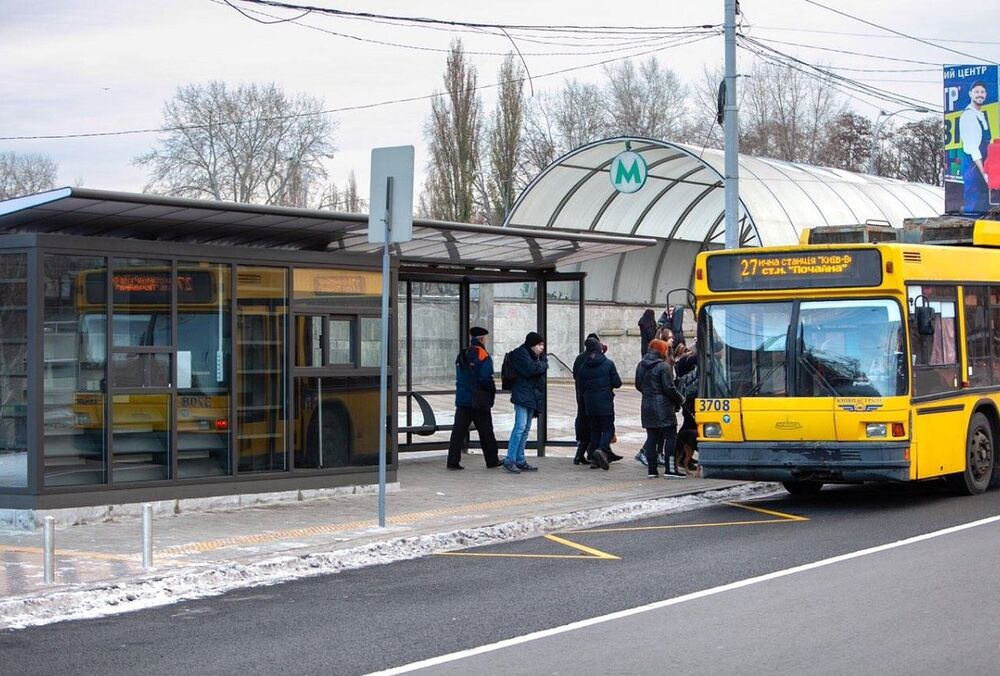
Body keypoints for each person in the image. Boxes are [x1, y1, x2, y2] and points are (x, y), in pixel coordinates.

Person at [446, 326, 502, 470]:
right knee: (486, 431)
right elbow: (486, 377)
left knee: (458, 432)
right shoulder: (482, 354)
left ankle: (452, 461)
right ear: (482, 338)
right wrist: (491, 392)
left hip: (463, 400)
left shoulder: (462, 354)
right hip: (478, 400)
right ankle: (492, 460)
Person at [635, 338, 684, 478]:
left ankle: (652, 470)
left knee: (652, 437)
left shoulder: (641, 365)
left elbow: (638, 385)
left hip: (647, 405)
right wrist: (680, 398)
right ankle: (671, 469)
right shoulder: (664, 366)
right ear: (662, 351)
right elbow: (669, 388)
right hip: (663, 407)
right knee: (670, 437)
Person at [503, 331, 548, 474]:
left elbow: (537, 370)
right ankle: (510, 460)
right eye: (540, 345)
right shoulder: (520, 354)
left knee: (526, 429)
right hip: (522, 396)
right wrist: (543, 364)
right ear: (532, 344)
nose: (542, 348)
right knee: (520, 427)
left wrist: (541, 363)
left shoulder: (536, 356)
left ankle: (520, 459)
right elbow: (531, 370)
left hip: (531, 397)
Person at [578, 335, 622, 470]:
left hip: (590, 404)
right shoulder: (608, 364)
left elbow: (580, 385)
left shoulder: (583, 366)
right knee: (608, 429)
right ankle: (602, 450)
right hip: (605, 402)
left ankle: (594, 459)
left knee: (595, 431)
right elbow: (617, 383)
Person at [959, 81, 994, 214]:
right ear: (970, 94)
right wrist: (984, 172)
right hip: (974, 168)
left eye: (982, 92)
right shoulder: (968, 115)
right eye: (977, 92)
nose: (980, 94)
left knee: (985, 207)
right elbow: (973, 148)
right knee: (975, 206)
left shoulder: (981, 114)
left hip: (983, 167)